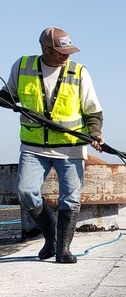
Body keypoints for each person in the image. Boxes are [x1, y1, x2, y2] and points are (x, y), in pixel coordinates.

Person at [0, 27, 104, 264]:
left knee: (70, 198)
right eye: (61, 52)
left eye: (68, 51)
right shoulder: (22, 66)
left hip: (70, 146)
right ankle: (51, 239)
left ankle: (63, 250)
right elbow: (9, 96)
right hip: (33, 146)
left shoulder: (78, 72)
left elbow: (93, 111)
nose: (66, 56)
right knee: (26, 192)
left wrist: (95, 133)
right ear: (45, 49)